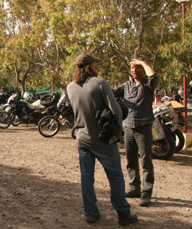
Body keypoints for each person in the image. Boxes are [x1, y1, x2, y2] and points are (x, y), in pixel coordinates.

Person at [67, 54, 137, 226]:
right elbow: (117, 111)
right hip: (102, 139)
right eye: (94, 64)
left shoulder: (70, 87)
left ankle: (91, 213)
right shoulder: (100, 83)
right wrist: (117, 132)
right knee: (115, 177)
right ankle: (123, 213)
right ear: (89, 66)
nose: (96, 67)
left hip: (82, 138)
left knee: (87, 177)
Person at [113, 58, 159, 207]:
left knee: (145, 160)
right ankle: (134, 187)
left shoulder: (147, 85)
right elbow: (113, 93)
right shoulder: (126, 85)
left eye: (137, 67)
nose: (134, 70)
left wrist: (143, 63)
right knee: (130, 160)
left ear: (142, 69)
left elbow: (154, 77)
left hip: (143, 127)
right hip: (128, 127)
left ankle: (146, 192)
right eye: (132, 67)